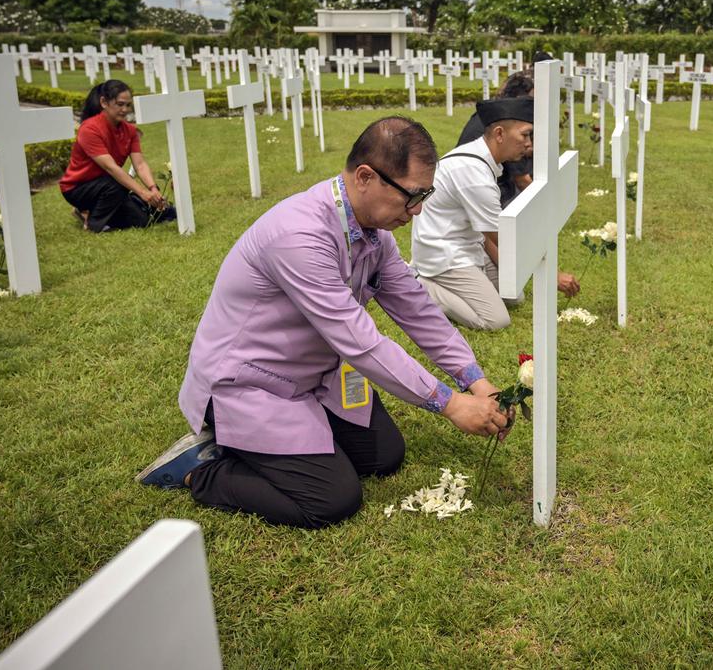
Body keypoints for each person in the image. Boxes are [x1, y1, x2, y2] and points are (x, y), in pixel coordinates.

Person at [135, 116, 510, 530]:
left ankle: (286, 443)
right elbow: (361, 343)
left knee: (384, 457)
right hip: (250, 384)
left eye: (425, 194)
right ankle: (200, 468)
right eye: (412, 195)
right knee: (332, 499)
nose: (418, 209)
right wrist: (451, 403)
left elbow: (418, 310)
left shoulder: (374, 235)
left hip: (314, 375)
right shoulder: (298, 236)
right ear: (365, 177)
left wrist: (475, 381)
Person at [410, 97, 580, 331]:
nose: (529, 144)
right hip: (444, 254)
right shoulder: (475, 175)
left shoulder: (482, 161)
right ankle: (419, 285)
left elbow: (490, 234)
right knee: (495, 320)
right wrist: (553, 274)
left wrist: (508, 268)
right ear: (500, 134)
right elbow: (501, 237)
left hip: (469, 245)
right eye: (525, 135)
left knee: (514, 295)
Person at [59, 80, 176, 232]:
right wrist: (142, 193)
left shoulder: (130, 131)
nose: (125, 109)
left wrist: (153, 189)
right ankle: (93, 223)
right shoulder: (90, 129)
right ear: (104, 102)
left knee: (141, 220)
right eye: (120, 104)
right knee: (118, 184)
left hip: (109, 186)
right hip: (78, 188)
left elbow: (139, 164)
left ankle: (89, 211)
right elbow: (111, 168)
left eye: (128, 105)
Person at [455, 70, 535, 208]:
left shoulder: (490, 116)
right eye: (529, 100)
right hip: (493, 191)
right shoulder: (509, 127)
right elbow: (522, 181)